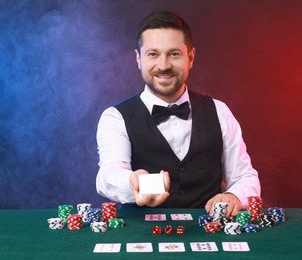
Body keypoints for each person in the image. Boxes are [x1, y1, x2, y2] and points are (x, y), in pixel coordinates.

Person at [96, 11, 260, 217]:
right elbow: (108, 176)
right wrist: (132, 182)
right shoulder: (115, 117)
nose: (163, 65)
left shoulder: (220, 111)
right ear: (138, 59)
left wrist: (235, 195)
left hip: (208, 233)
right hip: (139, 237)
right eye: (153, 54)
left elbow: (245, 177)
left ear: (190, 58)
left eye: (174, 54)